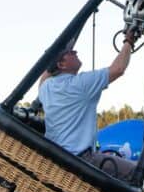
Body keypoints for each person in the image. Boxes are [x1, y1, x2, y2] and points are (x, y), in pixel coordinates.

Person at [38, 35, 136, 181]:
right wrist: (129, 41)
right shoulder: (80, 84)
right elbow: (118, 69)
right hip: (81, 158)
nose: (75, 51)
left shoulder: (46, 87)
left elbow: (45, 74)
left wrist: (57, 53)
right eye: (69, 52)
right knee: (135, 172)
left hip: (57, 158)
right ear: (61, 65)